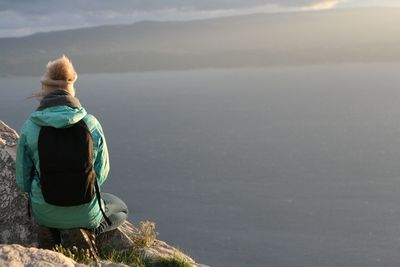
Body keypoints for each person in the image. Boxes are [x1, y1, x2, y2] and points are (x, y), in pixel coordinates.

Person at [15, 55, 128, 249]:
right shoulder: (91, 123)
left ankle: (53, 231)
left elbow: (23, 180)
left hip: (44, 211)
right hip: (84, 209)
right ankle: (87, 231)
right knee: (120, 209)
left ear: (45, 90)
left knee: (50, 210)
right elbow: (101, 173)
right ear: (71, 89)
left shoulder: (30, 126)